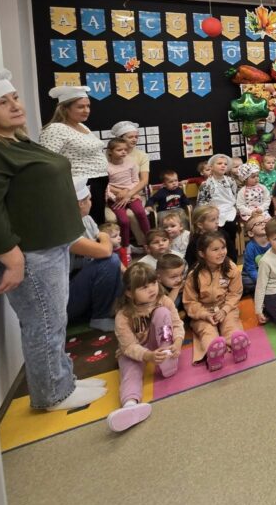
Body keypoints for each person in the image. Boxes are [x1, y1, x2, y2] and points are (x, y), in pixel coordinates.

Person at [0, 70, 107, 411]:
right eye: (2, 103)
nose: (15, 106)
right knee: (44, 324)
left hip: (49, 247)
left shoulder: (17, 141)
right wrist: (10, 256)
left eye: (14, 98)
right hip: (30, 254)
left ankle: (64, 380)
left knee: (54, 321)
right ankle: (52, 395)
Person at [108, 263, 183, 433]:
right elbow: (128, 346)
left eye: (153, 283)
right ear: (129, 292)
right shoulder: (123, 315)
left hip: (160, 343)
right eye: (144, 287)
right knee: (130, 371)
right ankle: (130, 406)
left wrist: (177, 342)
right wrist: (147, 355)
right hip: (135, 350)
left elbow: (177, 324)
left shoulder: (164, 301)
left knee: (163, 312)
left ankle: (167, 355)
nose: (152, 289)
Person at [39, 84, 110, 223]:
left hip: (97, 183)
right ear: (65, 108)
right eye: (80, 107)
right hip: (81, 186)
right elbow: (45, 162)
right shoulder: (55, 129)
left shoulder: (81, 126)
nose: (86, 110)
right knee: (87, 225)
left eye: (88, 106)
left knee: (97, 224)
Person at [183, 232, 250, 371]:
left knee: (231, 325)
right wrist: (204, 314)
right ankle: (214, 353)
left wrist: (225, 310)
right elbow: (190, 302)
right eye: (215, 249)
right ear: (202, 254)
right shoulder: (194, 275)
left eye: (223, 248)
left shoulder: (231, 268)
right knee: (207, 331)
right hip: (203, 311)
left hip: (225, 307)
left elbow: (235, 293)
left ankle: (238, 346)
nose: (221, 252)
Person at [70, 180, 124, 330]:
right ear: (80, 203)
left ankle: (111, 308)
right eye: (89, 199)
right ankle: (100, 317)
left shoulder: (87, 219)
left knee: (122, 272)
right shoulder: (66, 228)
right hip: (67, 295)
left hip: (80, 281)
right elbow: (105, 251)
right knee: (111, 260)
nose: (91, 203)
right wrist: (104, 236)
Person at [105, 138, 152, 250]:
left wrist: (128, 192)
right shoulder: (106, 167)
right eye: (119, 150)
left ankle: (150, 239)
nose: (123, 152)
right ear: (110, 151)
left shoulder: (131, 163)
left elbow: (136, 181)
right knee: (124, 221)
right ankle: (125, 247)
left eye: (125, 150)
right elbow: (106, 186)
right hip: (116, 198)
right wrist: (116, 197)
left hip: (131, 195)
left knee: (140, 212)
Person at [196, 154, 239, 257]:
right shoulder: (206, 184)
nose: (223, 165)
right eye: (219, 163)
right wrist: (210, 211)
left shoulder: (231, 181)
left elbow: (235, 197)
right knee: (218, 237)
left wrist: (236, 209)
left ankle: (231, 257)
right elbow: (201, 203)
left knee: (231, 235)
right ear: (211, 166)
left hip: (230, 212)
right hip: (213, 214)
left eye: (225, 164)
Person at [110, 120, 150, 211]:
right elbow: (104, 181)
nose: (134, 139)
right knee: (111, 217)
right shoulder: (109, 155)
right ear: (120, 138)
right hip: (112, 194)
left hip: (136, 193)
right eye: (130, 137)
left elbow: (144, 180)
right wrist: (121, 192)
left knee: (132, 214)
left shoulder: (142, 155)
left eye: (136, 137)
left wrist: (129, 194)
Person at [241, 210, 269, 292]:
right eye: (258, 224)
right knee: (245, 281)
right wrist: (261, 281)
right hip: (252, 274)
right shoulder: (250, 247)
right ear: (251, 233)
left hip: (267, 272)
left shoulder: (272, 242)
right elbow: (251, 269)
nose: (263, 224)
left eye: (264, 222)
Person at [186, 204, 221, 269]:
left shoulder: (221, 235)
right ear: (200, 225)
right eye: (213, 220)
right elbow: (193, 265)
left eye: (217, 218)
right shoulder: (195, 243)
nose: (217, 222)